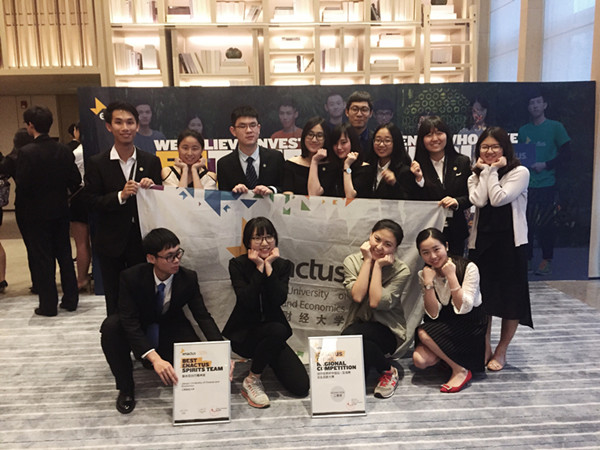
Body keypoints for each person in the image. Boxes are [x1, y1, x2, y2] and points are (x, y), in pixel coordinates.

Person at [100, 228, 223, 414]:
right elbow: (129, 320)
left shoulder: (188, 278)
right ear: (151, 258)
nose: (177, 260)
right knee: (111, 327)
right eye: (169, 256)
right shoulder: (131, 277)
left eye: (178, 253)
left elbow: (202, 316)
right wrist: (154, 358)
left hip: (171, 325)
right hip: (140, 325)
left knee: (192, 362)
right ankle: (126, 388)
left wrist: (221, 351)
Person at [83, 101, 162, 316]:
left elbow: (161, 203)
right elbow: (90, 202)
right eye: (119, 122)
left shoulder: (151, 161)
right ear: (109, 126)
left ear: (137, 126)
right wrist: (121, 196)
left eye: (130, 122)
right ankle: (117, 336)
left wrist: (152, 189)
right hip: (111, 243)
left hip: (142, 242)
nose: (125, 128)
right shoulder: (97, 163)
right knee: (114, 297)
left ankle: (143, 336)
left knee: (143, 295)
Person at [223, 217, 309, 408]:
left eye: (269, 237)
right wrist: (258, 268)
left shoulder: (282, 265)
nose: (264, 243)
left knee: (301, 386)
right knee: (278, 330)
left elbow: (279, 299)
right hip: (245, 336)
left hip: (273, 337)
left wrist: (268, 267)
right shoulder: (237, 264)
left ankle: (264, 360)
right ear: (248, 242)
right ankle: (252, 380)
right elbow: (247, 300)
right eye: (257, 238)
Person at [468, 126, 533, 371]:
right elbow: (479, 200)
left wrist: (492, 171)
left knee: (511, 299)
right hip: (482, 244)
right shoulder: (474, 176)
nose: (489, 151)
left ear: (505, 148)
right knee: (483, 299)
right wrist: (486, 172)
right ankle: (484, 344)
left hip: (510, 244)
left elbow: (498, 199)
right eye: (484, 147)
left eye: (495, 146)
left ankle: (502, 349)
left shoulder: (520, 172)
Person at [14, 106, 81, 316]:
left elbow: (22, 184)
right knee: (64, 254)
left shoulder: (26, 152)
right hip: (60, 209)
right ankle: (71, 300)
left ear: (31, 125)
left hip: (35, 213)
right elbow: (75, 180)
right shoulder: (64, 150)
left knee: (43, 258)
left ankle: (48, 305)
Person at [412, 227, 486, 393]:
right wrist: (428, 284)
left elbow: (464, 308)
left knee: (423, 332)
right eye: (425, 253)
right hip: (444, 322)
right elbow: (432, 314)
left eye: (436, 249)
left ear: (446, 246)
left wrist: (452, 276)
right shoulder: (425, 273)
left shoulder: (469, 267)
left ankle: (460, 370)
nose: (432, 256)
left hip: (469, 324)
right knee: (419, 360)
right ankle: (448, 359)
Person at [342, 219, 410, 399]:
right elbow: (357, 296)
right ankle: (382, 367)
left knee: (349, 337)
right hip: (359, 325)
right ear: (370, 236)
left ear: (395, 248)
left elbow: (376, 302)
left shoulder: (401, 270)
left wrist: (378, 266)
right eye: (377, 239)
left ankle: (388, 372)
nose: (379, 247)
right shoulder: (352, 261)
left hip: (387, 330)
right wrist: (367, 261)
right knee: (358, 354)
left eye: (388, 244)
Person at [518, 90, 571, 276]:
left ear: (544, 105)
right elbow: (521, 155)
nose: (535, 106)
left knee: (546, 224)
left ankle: (546, 259)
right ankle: (527, 259)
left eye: (538, 102)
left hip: (548, 183)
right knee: (527, 223)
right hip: (526, 185)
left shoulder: (556, 127)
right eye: (531, 103)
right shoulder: (523, 130)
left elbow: (566, 153)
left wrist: (546, 165)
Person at [410, 116, 472, 256]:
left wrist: (456, 202)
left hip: (456, 230)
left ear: (447, 135)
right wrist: (419, 179)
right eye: (429, 135)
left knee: (455, 266)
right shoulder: (416, 166)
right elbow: (414, 201)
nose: (434, 138)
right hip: (428, 231)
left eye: (439, 133)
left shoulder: (462, 162)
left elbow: (471, 196)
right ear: (422, 140)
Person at [217, 105, 284, 195]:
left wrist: (272, 190)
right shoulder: (224, 164)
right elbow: (223, 197)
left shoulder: (276, 157)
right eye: (242, 126)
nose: (249, 130)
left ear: (258, 128)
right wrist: (234, 193)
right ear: (233, 131)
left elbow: (285, 188)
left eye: (252, 125)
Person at [0, 128, 35, 294]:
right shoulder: (40, 154)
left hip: (24, 204)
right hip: (49, 203)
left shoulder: (11, 159)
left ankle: (38, 281)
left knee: (32, 246)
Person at [308, 122, 370, 198]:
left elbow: (350, 196)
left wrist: (347, 166)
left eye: (343, 143)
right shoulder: (331, 167)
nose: (339, 147)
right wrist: (314, 161)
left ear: (352, 142)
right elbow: (313, 194)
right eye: (335, 143)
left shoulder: (364, 169)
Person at [69, 125, 92, 292]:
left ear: (77, 131)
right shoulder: (100, 151)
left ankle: (82, 279)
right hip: (96, 195)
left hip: (79, 197)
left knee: (81, 242)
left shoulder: (76, 153)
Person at [282, 116, 329, 195]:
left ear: (326, 138)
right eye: (310, 134)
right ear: (304, 136)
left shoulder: (331, 166)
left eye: (319, 136)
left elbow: (314, 194)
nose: (314, 140)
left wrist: (314, 161)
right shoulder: (291, 164)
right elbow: (287, 195)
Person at [368, 122, 414, 199]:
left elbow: (408, 201)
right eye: (378, 140)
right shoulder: (369, 167)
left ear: (396, 142)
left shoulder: (404, 171)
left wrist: (394, 184)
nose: (381, 144)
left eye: (387, 141)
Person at [345, 90, 374, 159]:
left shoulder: (375, 140)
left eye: (364, 110)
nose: (359, 114)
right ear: (347, 112)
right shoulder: (338, 139)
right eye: (355, 109)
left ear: (370, 113)